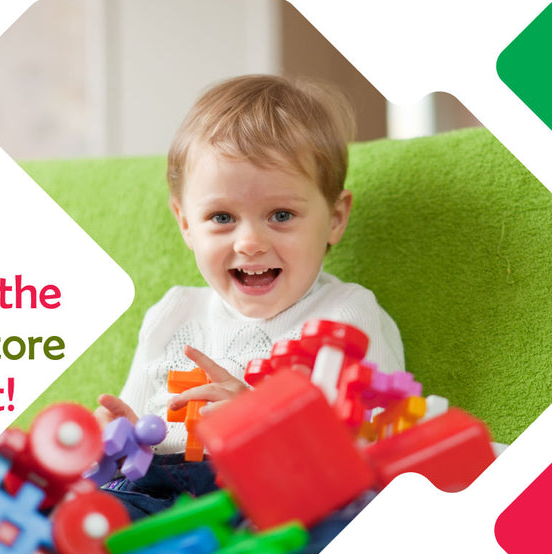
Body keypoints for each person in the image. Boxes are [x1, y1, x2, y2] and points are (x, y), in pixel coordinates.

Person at [94, 74, 405, 468]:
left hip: (260, 505)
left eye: (281, 215)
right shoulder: (173, 313)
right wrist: (117, 433)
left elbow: (375, 449)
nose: (250, 242)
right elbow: (136, 425)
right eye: (222, 217)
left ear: (335, 219)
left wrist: (258, 425)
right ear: (186, 223)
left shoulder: (345, 317)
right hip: (156, 492)